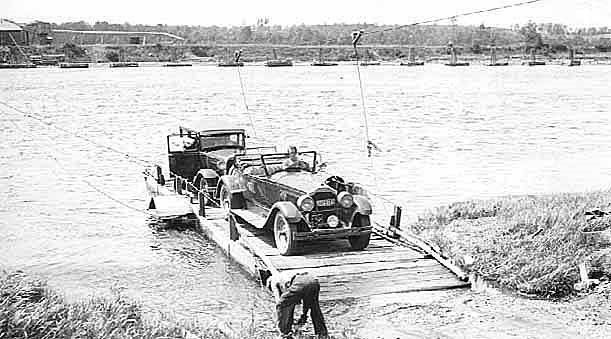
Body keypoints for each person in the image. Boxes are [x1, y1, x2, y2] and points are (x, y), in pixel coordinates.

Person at [267, 271, 328, 339]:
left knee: (282, 305)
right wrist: (303, 315)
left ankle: (285, 333)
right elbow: (304, 302)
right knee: (314, 307)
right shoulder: (283, 276)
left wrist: (278, 320)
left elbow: (280, 303)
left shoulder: (273, 281)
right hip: (313, 280)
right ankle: (322, 333)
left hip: (300, 283)